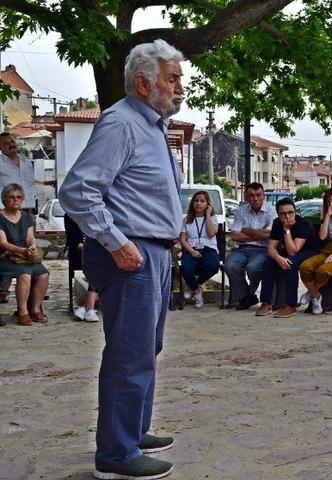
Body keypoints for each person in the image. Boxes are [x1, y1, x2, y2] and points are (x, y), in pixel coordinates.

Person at [59, 39, 185, 479]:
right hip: (131, 254)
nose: (180, 88)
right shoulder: (121, 123)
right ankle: (115, 456)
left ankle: (131, 431)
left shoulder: (150, 125)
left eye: (180, 79)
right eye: (172, 79)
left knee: (147, 349)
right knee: (129, 354)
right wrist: (115, 241)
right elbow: (77, 191)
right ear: (142, 82)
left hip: (154, 252)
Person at [255, 198, 320, 318]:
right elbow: (271, 248)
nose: (287, 216)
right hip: (290, 251)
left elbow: (293, 251)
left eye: (291, 212)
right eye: (283, 213)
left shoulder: (304, 224)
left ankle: (291, 305)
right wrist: (278, 258)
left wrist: (286, 229)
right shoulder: (276, 223)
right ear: (278, 214)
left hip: (309, 251)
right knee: (268, 263)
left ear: (295, 212)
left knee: (290, 263)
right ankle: (266, 302)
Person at [0, 183, 50, 326]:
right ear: (4, 199)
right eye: (11, 197)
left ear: (22, 200)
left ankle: (35, 309)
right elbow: (3, 243)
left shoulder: (28, 217)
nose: (15, 200)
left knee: (43, 274)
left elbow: (30, 238)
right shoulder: (0, 217)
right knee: (25, 274)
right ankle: (23, 312)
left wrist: (32, 247)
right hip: (6, 256)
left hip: (25, 256)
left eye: (19, 197)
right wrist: (23, 251)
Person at [224, 182, 277, 310]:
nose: (255, 198)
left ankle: (249, 294)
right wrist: (259, 233)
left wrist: (246, 230)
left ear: (263, 195)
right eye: (251, 195)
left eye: (258, 195)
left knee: (252, 268)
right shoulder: (241, 210)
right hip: (242, 249)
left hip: (263, 250)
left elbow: (270, 234)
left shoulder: (271, 210)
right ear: (246, 197)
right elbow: (235, 235)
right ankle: (248, 296)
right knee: (229, 266)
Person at [0, 132, 37, 303]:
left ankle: (32, 293)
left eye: (12, 141)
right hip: (5, 213)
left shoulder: (27, 163)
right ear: (0, 148)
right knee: (6, 251)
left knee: (30, 248)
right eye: (6, 143)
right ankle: (3, 292)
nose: (11, 144)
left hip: (27, 211)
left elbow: (30, 187)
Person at [178, 191, 219, 309]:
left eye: (202, 201)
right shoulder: (187, 220)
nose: (199, 203)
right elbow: (182, 239)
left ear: (207, 204)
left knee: (213, 266)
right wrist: (191, 251)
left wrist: (207, 215)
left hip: (209, 249)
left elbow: (211, 233)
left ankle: (193, 286)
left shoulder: (212, 218)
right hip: (192, 249)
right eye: (196, 201)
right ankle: (197, 290)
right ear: (192, 203)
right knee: (186, 268)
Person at [65, 214, 100, 322]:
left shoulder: (100, 215)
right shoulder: (71, 216)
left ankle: (87, 307)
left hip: (98, 255)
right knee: (99, 266)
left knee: (103, 265)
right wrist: (92, 249)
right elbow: (75, 243)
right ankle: (90, 309)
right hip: (80, 253)